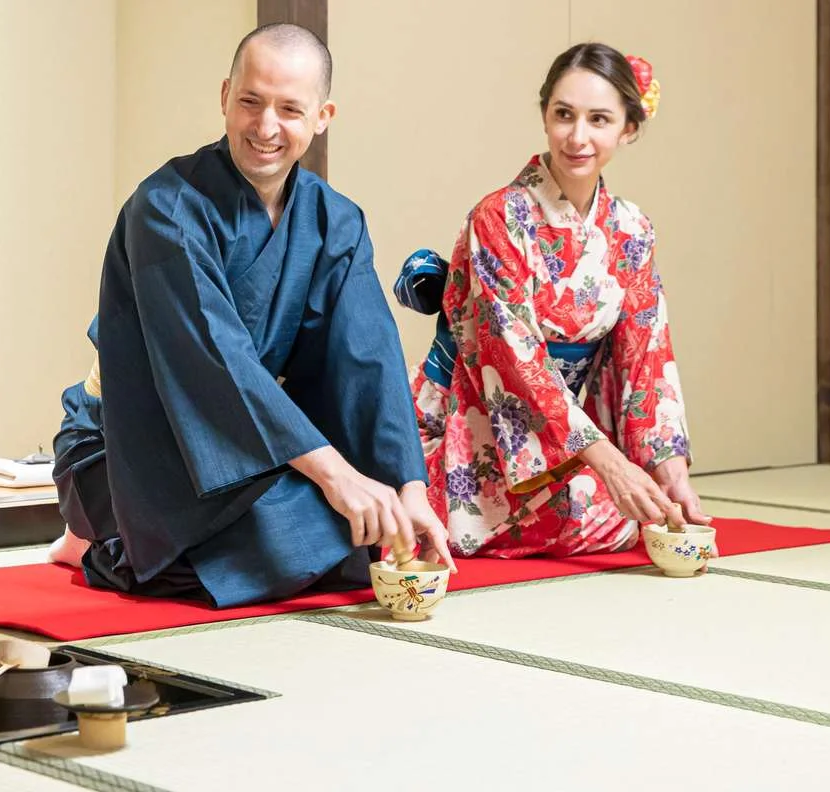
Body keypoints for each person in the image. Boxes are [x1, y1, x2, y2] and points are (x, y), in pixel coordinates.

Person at [47, 23, 456, 610]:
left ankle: (168, 539)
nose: (266, 128)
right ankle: (101, 542)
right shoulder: (165, 208)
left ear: (322, 116)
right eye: (250, 102)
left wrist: (409, 489)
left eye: (290, 109)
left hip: (246, 446)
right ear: (224, 97)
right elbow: (218, 365)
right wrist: (339, 479)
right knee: (321, 524)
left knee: (369, 529)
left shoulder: (333, 219)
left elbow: (369, 358)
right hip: (130, 444)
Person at [396, 43, 709, 560]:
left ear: (627, 129)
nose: (577, 136)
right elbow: (515, 359)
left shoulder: (631, 229)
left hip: (559, 440)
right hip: (466, 412)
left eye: (599, 119)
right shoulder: (498, 217)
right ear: (545, 114)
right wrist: (608, 462)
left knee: (630, 514)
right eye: (564, 114)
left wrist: (669, 473)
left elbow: (645, 358)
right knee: (596, 503)